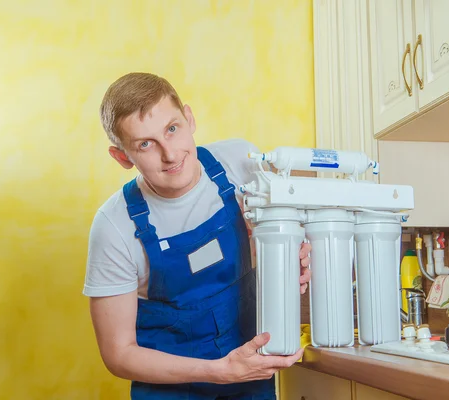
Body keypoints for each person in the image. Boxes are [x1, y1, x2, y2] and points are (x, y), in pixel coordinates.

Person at [83, 72, 312, 399]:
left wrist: (293, 257)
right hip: (170, 391)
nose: (171, 155)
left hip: (252, 378)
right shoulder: (114, 227)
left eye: (172, 129)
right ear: (123, 157)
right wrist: (221, 371)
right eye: (145, 144)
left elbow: (282, 236)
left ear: (189, 119)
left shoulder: (239, 164)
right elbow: (118, 354)